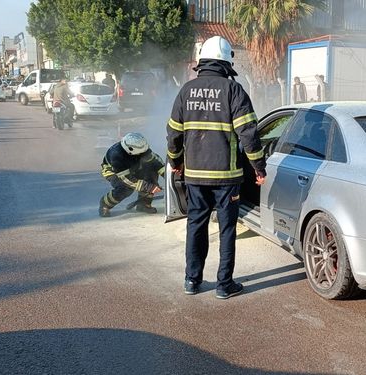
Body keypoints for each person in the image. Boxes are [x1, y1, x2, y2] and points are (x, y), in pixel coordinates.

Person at [166, 35, 267, 299]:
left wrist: (175, 162)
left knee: (195, 226)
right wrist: (259, 167)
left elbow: (173, 133)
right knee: (226, 230)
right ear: (226, 63)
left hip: (195, 177)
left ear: (202, 62)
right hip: (227, 178)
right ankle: (224, 285)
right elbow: (249, 134)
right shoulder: (234, 90)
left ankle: (192, 280)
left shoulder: (186, 91)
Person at [99, 132, 164, 217]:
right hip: (114, 172)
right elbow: (126, 179)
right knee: (125, 189)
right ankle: (105, 204)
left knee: (151, 172)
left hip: (132, 168)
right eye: (142, 152)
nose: (144, 154)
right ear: (130, 149)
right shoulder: (117, 156)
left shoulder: (141, 149)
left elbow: (156, 162)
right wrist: (149, 187)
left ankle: (143, 204)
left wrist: (169, 175)